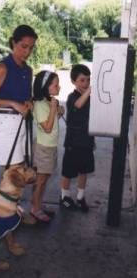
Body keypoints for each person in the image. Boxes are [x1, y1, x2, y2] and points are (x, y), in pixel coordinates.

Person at [0, 25, 38, 224]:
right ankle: (6, 215)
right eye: (23, 46)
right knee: (13, 175)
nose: (27, 52)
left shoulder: (28, 70)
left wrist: (28, 103)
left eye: (31, 48)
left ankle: (13, 212)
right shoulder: (2, 67)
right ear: (14, 42)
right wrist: (13, 103)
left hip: (21, 123)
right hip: (5, 124)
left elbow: (24, 97)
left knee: (19, 172)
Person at [59, 64, 95, 213]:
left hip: (86, 141)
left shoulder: (90, 98)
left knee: (83, 170)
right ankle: (64, 197)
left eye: (88, 80)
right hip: (73, 142)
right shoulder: (71, 97)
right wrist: (90, 91)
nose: (86, 83)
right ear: (74, 82)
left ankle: (80, 196)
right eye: (82, 80)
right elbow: (79, 105)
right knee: (68, 171)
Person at [30, 70, 64, 222]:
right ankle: (35, 209)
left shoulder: (47, 101)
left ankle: (38, 204)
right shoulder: (39, 105)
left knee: (45, 177)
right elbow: (48, 128)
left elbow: (53, 119)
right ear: (45, 87)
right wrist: (53, 109)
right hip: (43, 148)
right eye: (56, 85)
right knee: (41, 180)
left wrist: (58, 111)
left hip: (50, 146)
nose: (59, 87)